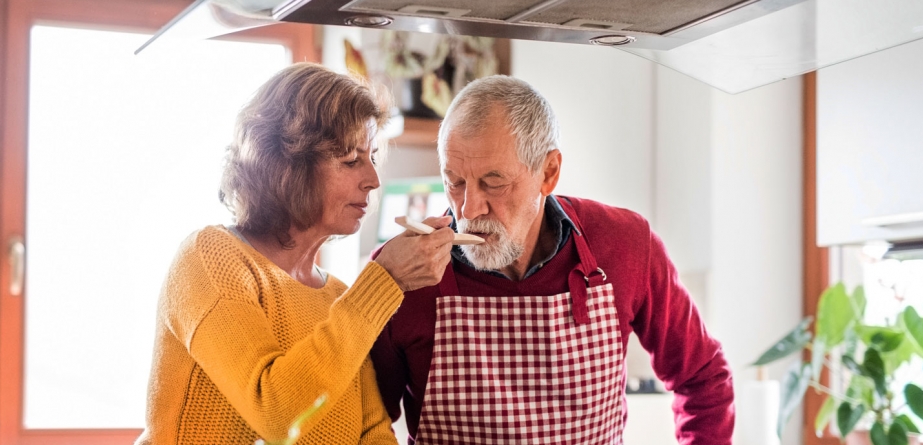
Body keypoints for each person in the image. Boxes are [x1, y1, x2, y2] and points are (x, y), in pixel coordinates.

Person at [371, 76, 735, 444]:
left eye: (493, 183)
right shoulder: (402, 276)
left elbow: (703, 376)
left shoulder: (624, 243)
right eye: (455, 181)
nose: (468, 209)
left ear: (548, 173)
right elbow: (365, 424)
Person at [137, 63, 455, 445]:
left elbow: (373, 433)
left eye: (371, 157)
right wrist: (383, 282)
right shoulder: (210, 258)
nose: (372, 180)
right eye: (351, 160)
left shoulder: (338, 296)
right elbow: (277, 414)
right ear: (286, 166)